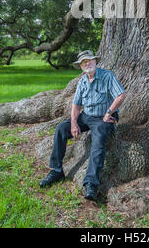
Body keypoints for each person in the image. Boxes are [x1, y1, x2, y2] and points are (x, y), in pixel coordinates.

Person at [39, 50, 127, 201]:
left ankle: (91, 183)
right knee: (61, 129)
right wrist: (73, 123)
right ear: (80, 66)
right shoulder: (82, 81)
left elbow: (121, 95)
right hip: (86, 116)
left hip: (102, 118)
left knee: (98, 142)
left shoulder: (107, 76)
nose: (87, 63)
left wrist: (108, 112)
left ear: (95, 61)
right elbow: (76, 105)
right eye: (83, 62)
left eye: (89, 60)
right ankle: (56, 170)